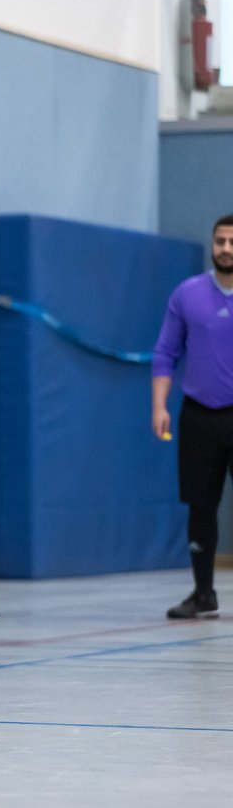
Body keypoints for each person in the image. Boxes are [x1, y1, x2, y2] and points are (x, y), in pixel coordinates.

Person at [152, 214, 233, 619]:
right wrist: (159, 406)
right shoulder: (188, 294)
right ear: (212, 244)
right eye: (220, 241)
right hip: (200, 416)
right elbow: (165, 353)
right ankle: (203, 595)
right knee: (201, 506)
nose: (226, 248)